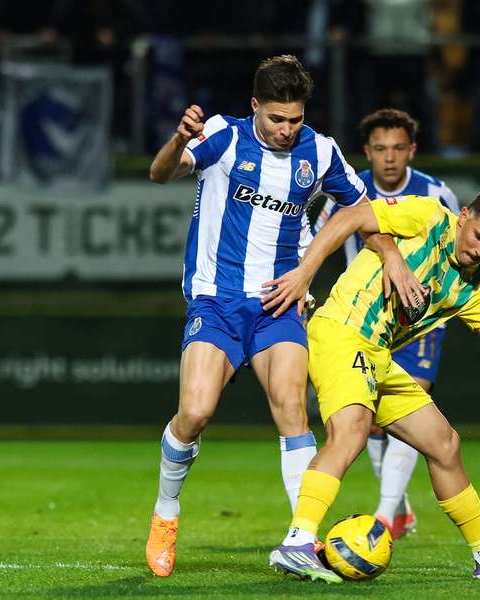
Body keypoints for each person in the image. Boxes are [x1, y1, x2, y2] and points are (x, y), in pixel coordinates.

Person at [262, 189, 480, 583]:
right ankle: (297, 543)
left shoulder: (473, 285)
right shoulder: (428, 216)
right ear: (463, 216)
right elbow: (350, 217)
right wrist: (305, 274)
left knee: (445, 444)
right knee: (349, 433)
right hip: (341, 334)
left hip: (378, 356)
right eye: (479, 237)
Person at [143, 54, 376, 578]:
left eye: (295, 119)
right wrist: (179, 139)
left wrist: (397, 264)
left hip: (280, 303)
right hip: (217, 301)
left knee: (293, 409)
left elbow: (363, 212)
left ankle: (302, 539)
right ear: (255, 108)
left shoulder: (319, 151)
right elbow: (160, 175)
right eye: (277, 119)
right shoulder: (224, 136)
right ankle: (166, 511)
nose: (287, 129)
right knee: (196, 413)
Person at [314, 108, 459, 539]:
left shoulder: (437, 193)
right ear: (367, 152)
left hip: (419, 319)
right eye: (380, 149)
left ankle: (385, 515)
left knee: (414, 403)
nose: (390, 158)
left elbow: (464, 251)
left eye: (398, 148)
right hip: (365, 320)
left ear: (411, 150)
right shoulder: (348, 191)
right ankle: (398, 506)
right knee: (374, 420)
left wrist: (477, 319)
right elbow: (317, 237)